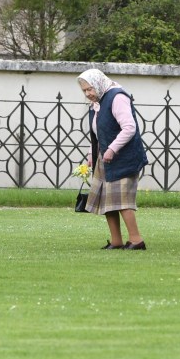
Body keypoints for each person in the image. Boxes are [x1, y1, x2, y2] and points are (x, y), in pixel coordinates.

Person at [77, 69, 149, 250]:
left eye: (90, 89)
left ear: (99, 83)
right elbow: (100, 132)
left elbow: (129, 128)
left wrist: (112, 149)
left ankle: (136, 240)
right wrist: (91, 155)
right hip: (106, 156)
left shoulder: (117, 97)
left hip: (124, 157)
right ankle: (116, 241)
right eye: (84, 91)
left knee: (122, 200)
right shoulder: (98, 102)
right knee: (107, 200)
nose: (88, 94)